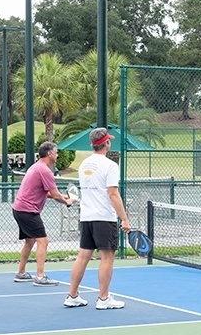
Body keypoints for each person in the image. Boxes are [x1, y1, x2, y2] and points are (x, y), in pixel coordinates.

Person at [65, 128, 132, 309]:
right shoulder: (110, 165)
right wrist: (124, 219)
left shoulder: (84, 165)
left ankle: (72, 295)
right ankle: (103, 299)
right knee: (107, 258)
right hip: (104, 218)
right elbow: (113, 194)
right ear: (106, 144)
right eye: (109, 140)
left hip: (86, 217)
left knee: (82, 257)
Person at [12, 141, 78, 286]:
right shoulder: (45, 170)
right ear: (49, 153)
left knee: (30, 241)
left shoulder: (36, 167)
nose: (57, 155)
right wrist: (67, 201)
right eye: (56, 152)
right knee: (43, 241)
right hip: (27, 210)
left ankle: (21, 273)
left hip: (19, 209)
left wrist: (64, 197)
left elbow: (44, 192)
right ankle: (40, 277)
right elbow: (54, 195)